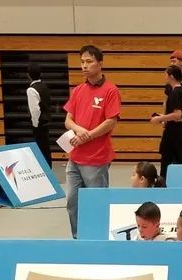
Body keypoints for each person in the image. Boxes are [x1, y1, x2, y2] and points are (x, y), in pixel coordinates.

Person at [64, 44, 121, 238]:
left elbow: (111, 121)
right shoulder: (78, 90)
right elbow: (68, 120)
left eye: (89, 61)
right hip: (75, 156)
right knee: (72, 201)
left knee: (97, 202)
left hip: (96, 157)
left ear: (100, 63)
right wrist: (80, 131)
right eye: (82, 62)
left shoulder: (110, 90)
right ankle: (78, 238)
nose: (84, 66)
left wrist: (87, 136)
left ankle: (98, 237)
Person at [154, 64, 182, 182]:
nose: (165, 78)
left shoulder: (174, 93)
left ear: (172, 77)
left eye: (166, 75)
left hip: (174, 136)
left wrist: (160, 118)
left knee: (167, 167)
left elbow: (177, 114)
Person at [27, 64, 55, 169]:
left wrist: (35, 124)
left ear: (28, 75)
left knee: (40, 146)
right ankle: (48, 166)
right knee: (46, 147)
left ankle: (43, 168)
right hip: (47, 120)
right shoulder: (45, 86)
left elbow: (35, 110)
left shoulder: (31, 90)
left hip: (39, 122)